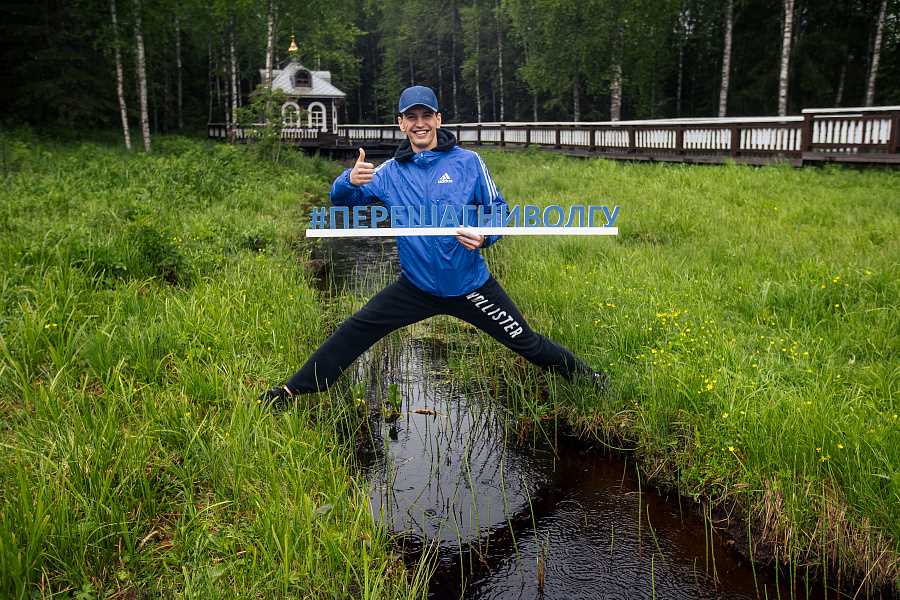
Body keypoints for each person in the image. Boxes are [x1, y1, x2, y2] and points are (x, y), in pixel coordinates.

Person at [259, 85, 608, 405]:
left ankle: (590, 378)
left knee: (527, 341)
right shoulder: (389, 173)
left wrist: (486, 234)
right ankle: (290, 390)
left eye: (426, 116)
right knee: (355, 330)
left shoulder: (468, 163)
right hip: (416, 287)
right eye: (412, 117)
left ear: (438, 120)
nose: (420, 124)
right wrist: (347, 180)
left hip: (471, 286)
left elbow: (497, 210)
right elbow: (342, 201)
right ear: (401, 124)